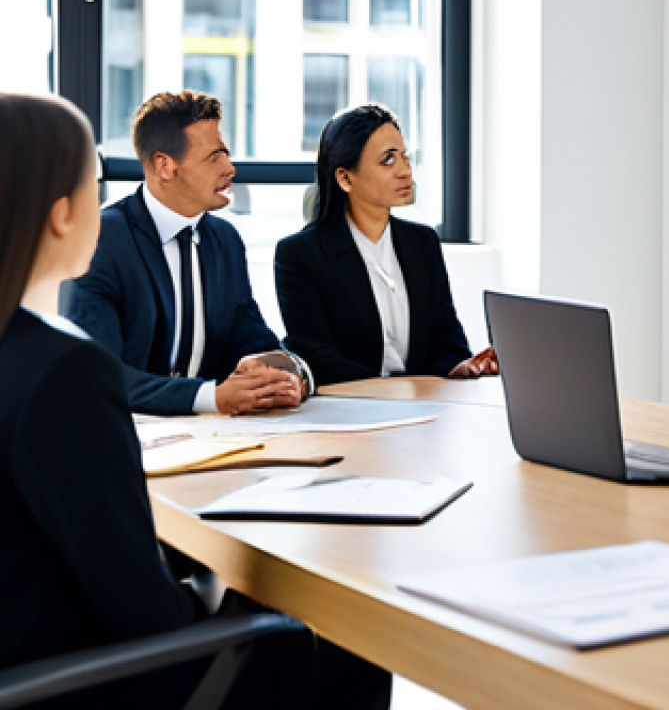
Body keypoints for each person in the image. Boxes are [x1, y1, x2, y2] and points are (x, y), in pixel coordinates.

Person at [0, 92, 391, 709]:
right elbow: (143, 607)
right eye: (91, 187)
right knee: (343, 628)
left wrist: (283, 371)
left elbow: (256, 337)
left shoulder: (25, 351)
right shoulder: (66, 371)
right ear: (61, 215)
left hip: (29, 649)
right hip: (79, 681)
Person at [67, 91, 313, 416]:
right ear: (165, 166)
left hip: (213, 434)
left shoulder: (224, 240)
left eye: (226, 154)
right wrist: (211, 398)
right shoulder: (101, 239)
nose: (229, 168)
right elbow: (100, 373)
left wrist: (286, 373)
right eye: (213, 157)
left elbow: (252, 337)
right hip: (126, 429)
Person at [275, 104, 497, 384]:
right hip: (350, 404)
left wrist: (462, 368)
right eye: (388, 161)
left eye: (405, 156)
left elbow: (447, 343)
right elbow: (319, 361)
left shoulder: (422, 242)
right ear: (345, 178)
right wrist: (402, 390)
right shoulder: (301, 254)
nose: (405, 171)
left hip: (424, 403)